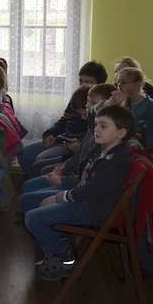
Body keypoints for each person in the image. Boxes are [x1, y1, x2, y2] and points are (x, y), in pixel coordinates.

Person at [22, 105, 134, 281]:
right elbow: (85, 176)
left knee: (33, 217)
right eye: (96, 125)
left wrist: (59, 197)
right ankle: (49, 244)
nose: (96, 129)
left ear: (121, 133)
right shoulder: (102, 148)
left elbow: (92, 190)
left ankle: (64, 257)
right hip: (82, 197)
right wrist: (62, 176)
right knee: (27, 201)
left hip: (93, 209)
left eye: (103, 126)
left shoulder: (117, 161)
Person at [20, 83, 114, 199]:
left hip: (77, 185)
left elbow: (86, 175)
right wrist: (62, 167)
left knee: (31, 192)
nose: (87, 106)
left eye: (94, 104)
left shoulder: (102, 136)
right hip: (68, 156)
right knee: (30, 170)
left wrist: (62, 179)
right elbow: (78, 156)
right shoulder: (91, 127)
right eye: (88, 102)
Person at [18, 61, 108, 175]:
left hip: (71, 145)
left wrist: (75, 143)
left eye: (88, 82)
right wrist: (50, 133)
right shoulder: (76, 97)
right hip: (61, 139)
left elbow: (90, 135)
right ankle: (32, 180)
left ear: (99, 84)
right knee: (24, 153)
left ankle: (41, 183)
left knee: (41, 159)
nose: (83, 85)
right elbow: (63, 121)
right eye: (81, 81)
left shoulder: (98, 105)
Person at [108, 67, 153, 150]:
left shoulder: (149, 106)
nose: (119, 85)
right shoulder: (121, 103)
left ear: (138, 84)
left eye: (123, 82)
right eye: (118, 83)